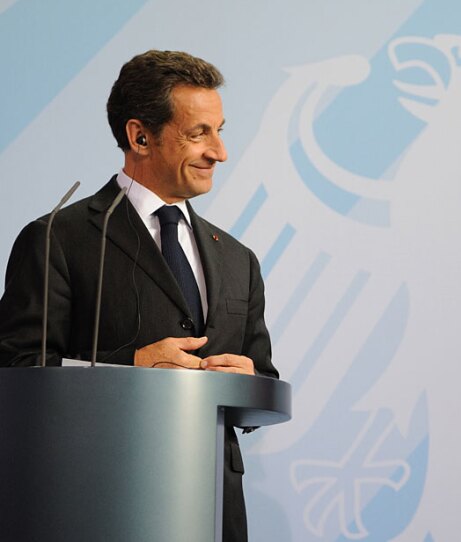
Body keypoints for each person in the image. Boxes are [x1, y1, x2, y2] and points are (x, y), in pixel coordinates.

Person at [0, 50, 278, 541]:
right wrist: (127, 369)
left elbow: (263, 379)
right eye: (199, 134)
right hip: (97, 500)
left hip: (214, 509)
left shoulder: (239, 259)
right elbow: (16, 370)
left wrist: (247, 377)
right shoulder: (58, 238)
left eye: (220, 129)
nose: (220, 152)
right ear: (140, 136)